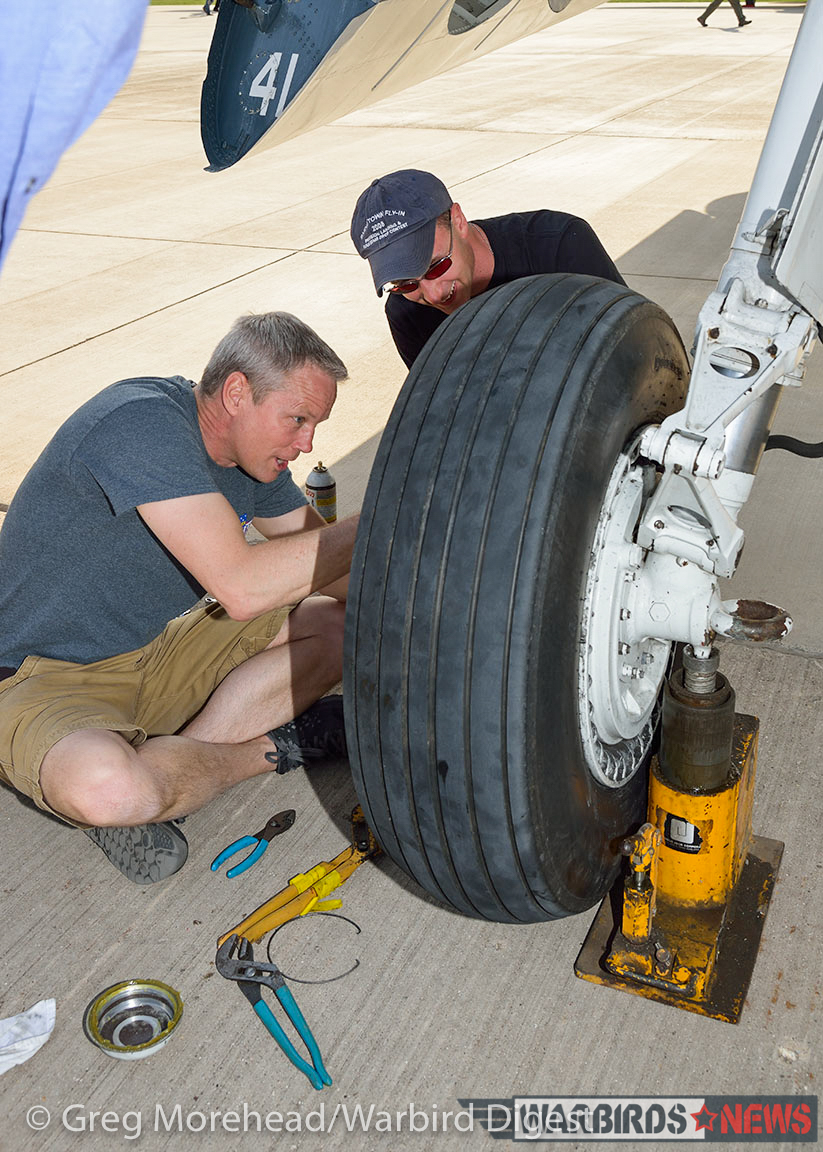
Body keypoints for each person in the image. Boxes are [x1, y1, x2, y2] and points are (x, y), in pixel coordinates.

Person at [0, 312, 358, 884]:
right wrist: (387, 522)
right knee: (109, 788)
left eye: (314, 424)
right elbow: (241, 587)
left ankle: (168, 774)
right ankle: (275, 747)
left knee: (342, 625)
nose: (307, 442)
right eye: (297, 419)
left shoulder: (251, 463)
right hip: (38, 676)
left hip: (159, 650)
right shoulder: (140, 422)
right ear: (237, 392)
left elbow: (335, 573)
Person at [350, 169, 627, 369]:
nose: (433, 295)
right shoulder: (406, 313)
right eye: (405, 284)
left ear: (458, 221)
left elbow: (634, 347)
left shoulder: (558, 246)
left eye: (436, 266)